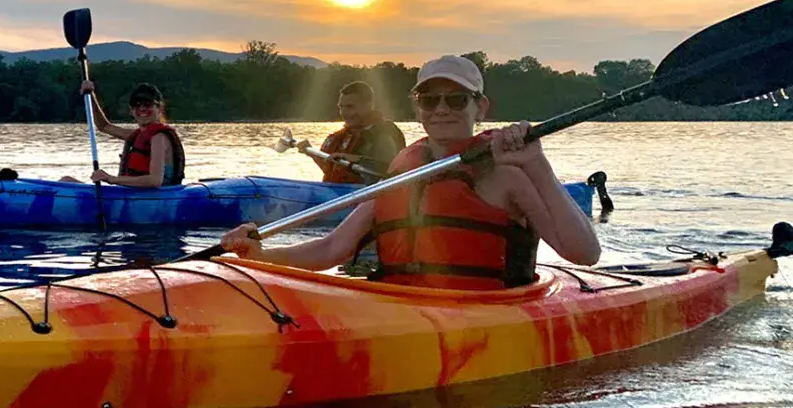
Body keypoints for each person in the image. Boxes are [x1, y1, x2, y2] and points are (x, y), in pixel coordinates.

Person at [220, 55, 600, 290]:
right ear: (418, 109)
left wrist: (538, 166)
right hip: (405, 305)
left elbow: (585, 253)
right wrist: (259, 257)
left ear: (480, 107)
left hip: (487, 313)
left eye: (456, 99)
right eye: (429, 100)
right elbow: (332, 248)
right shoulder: (404, 171)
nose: (441, 109)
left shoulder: (508, 174)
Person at [59, 81, 186, 188]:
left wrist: (111, 179)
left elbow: (154, 180)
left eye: (148, 104)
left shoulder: (159, 138)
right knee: (66, 181)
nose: (142, 109)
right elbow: (103, 126)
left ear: (159, 108)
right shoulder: (137, 135)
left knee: (65, 182)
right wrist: (90, 95)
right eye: (136, 105)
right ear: (131, 111)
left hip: (153, 198)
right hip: (132, 195)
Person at [296, 81, 405, 183]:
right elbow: (329, 168)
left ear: (369, 105)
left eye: (350, 107)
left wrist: (355, 159)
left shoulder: (385, 133)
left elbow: (391, 171)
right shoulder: (341, 136)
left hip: (371, 195)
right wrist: (311, 153)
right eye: (341, 107)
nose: (344, 113)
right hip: (339, 194)